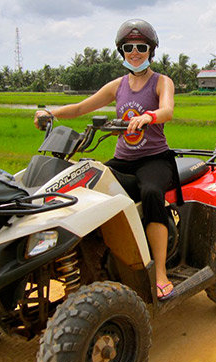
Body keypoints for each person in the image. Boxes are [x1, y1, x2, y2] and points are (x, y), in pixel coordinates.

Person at [34, 19, 177, 300]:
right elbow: (80, 107)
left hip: (155, 160)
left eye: (141, 47)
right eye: (128, 47)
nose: (135, 52)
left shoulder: (161, 82)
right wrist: (51, 113)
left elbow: (168, 110)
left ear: (151, 50)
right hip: (122, 161)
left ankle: (160, 272)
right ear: (121, 51)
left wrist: (148, 116)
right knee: (86, 184)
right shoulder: (118, 85)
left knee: (150, 193)